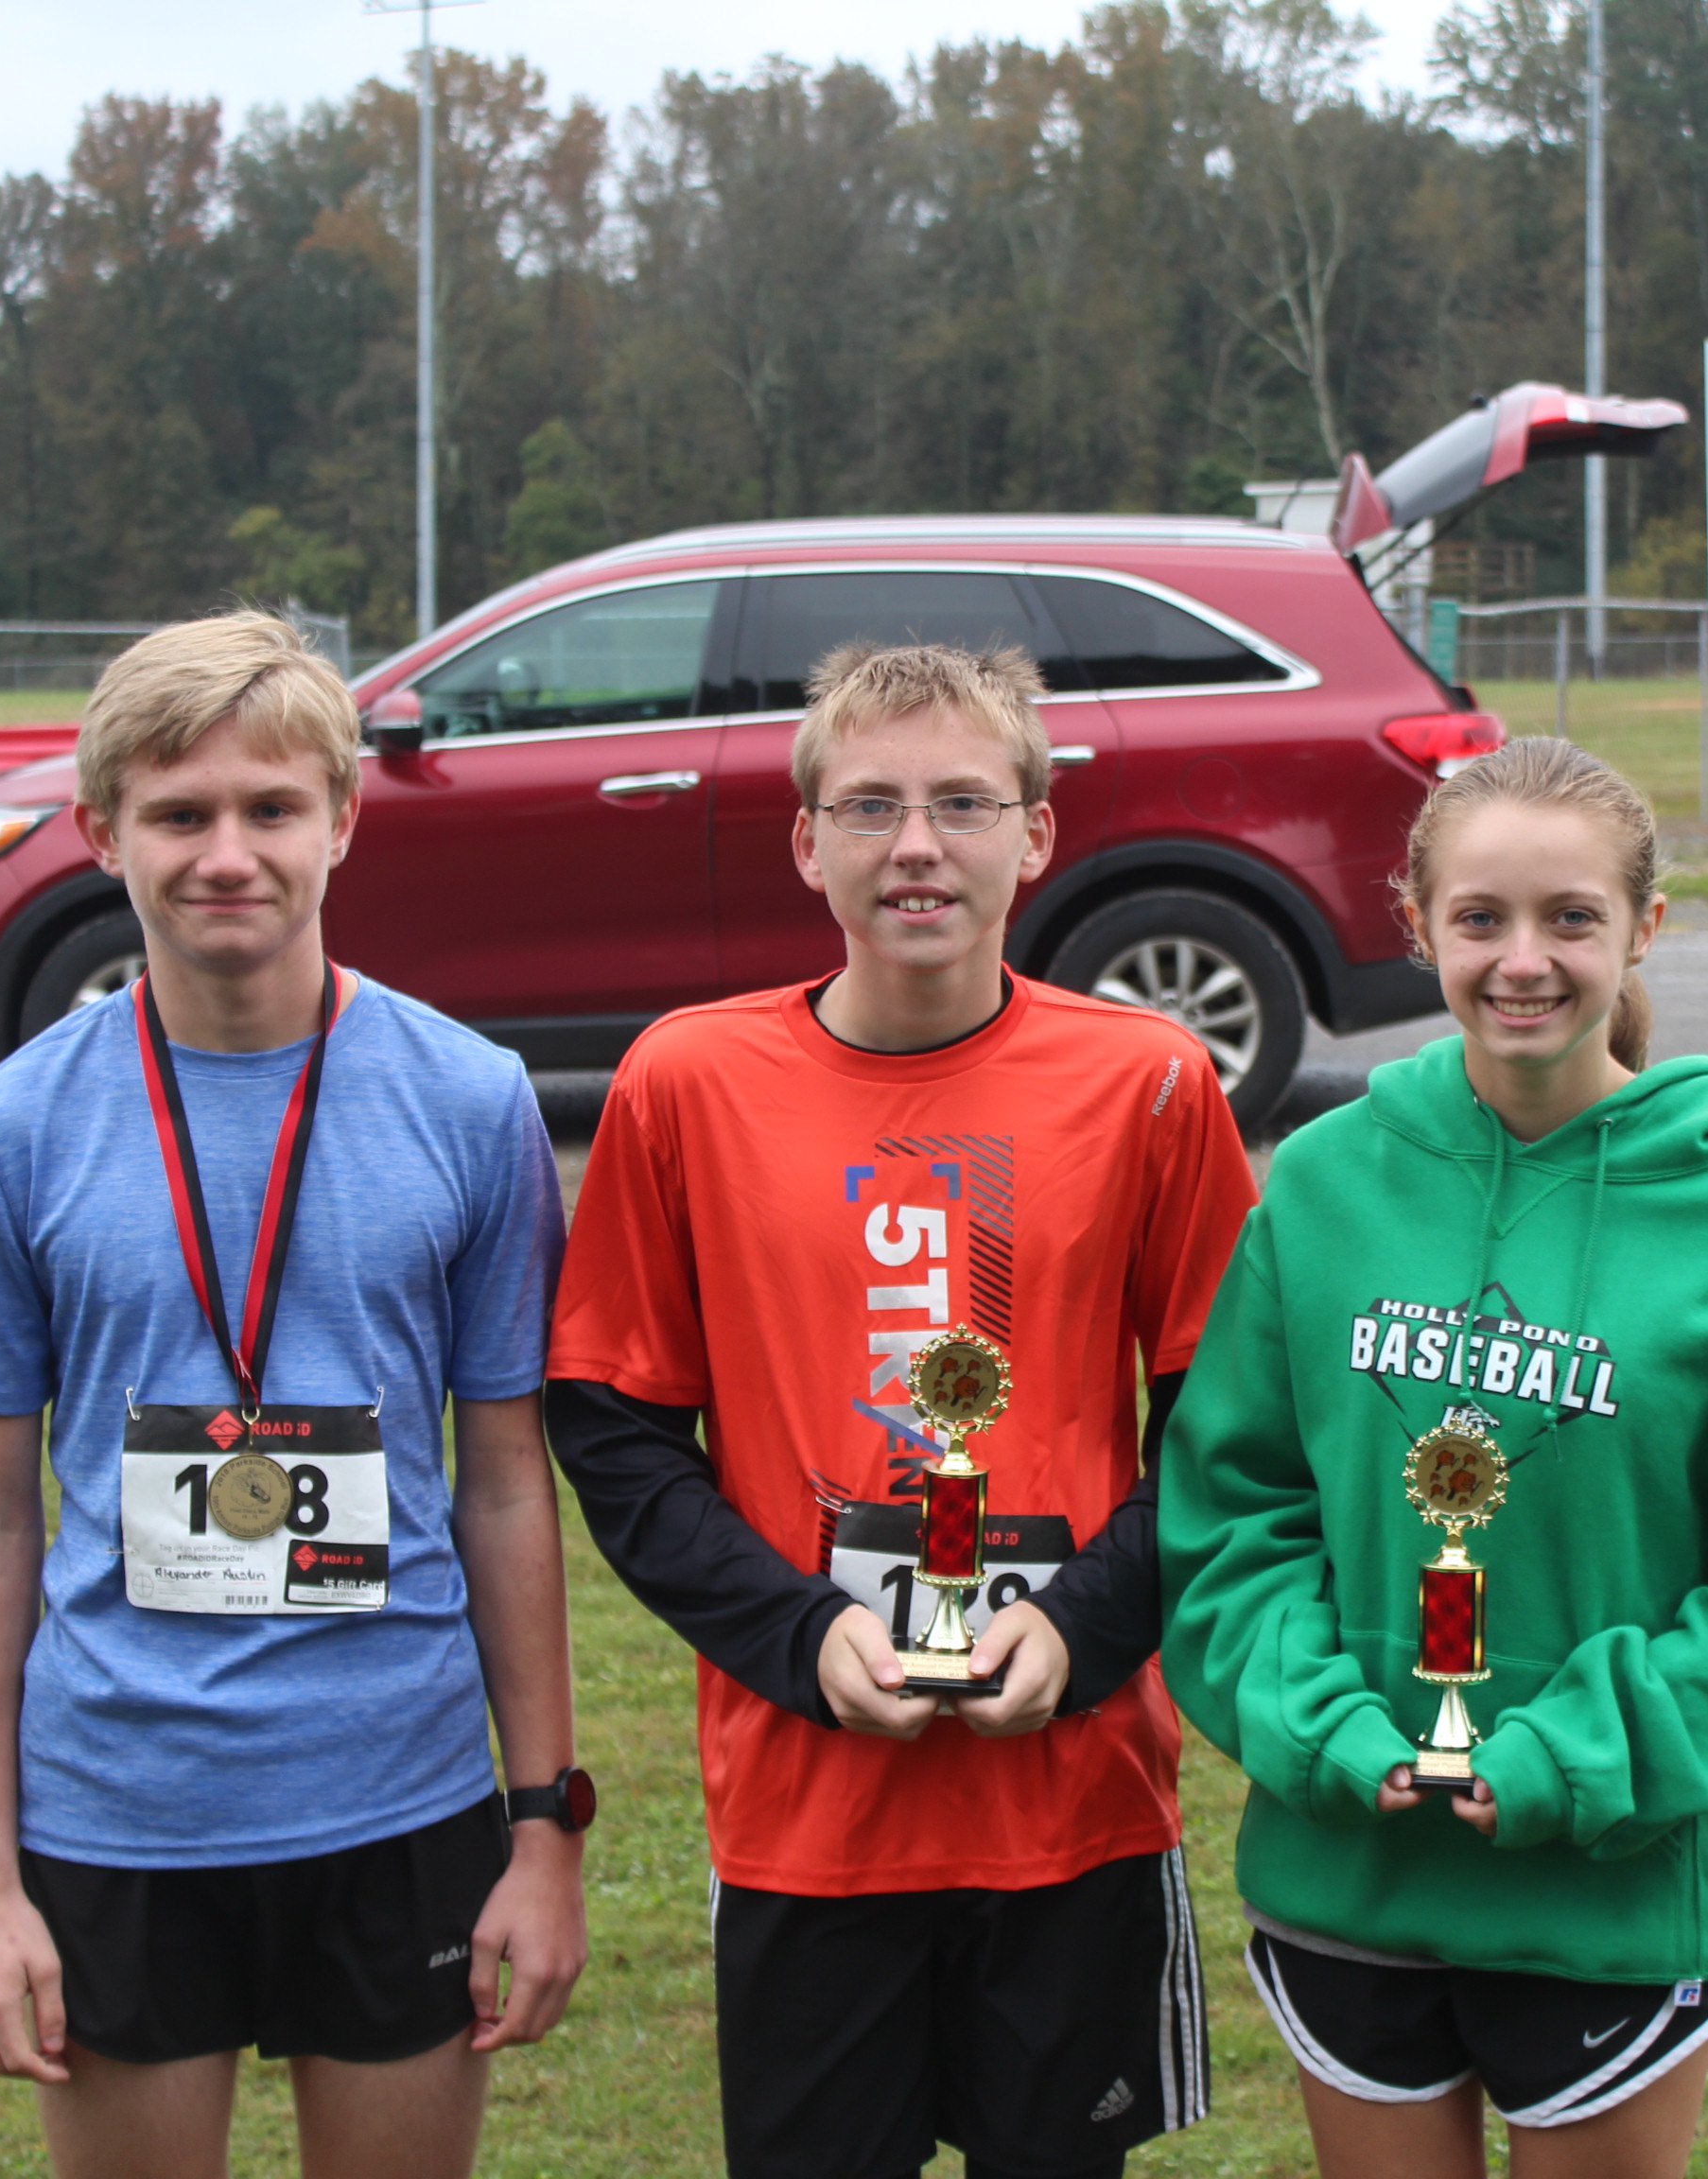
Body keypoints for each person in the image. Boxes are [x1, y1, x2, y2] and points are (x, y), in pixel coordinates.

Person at [546, 642, 1259, 2179]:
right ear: (806, 841)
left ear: (1038, 831)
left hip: (1070, 1799)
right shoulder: (688, 1080)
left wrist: (1083, 1621)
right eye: (868, 804)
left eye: (959, 801)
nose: (917, 844)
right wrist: (796, 1633)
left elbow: (1225, 1425)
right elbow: (610, 1423)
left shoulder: (1147, 1079)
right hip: (812, 1811)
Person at [1159, 736, 1708, 2179]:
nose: (1525, 961)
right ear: (1416, 922)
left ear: (1643, 928)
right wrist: (1322, 1728)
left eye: (1571, 918)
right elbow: (1233, 1512)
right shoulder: (1321, 1184)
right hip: (1350, 1872)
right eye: (1482, 918)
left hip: (1610, 1889)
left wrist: (1581, 1754)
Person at [0, 611, 587, 2179]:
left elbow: (501, 1482)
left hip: (398, 1797)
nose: (229, 852)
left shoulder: (470, 1102)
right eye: (179, 812)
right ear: (101, 834)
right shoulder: (14, 1129)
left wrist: (542, 1826)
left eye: (271, 808)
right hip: (117, 1810)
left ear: (343, 819)